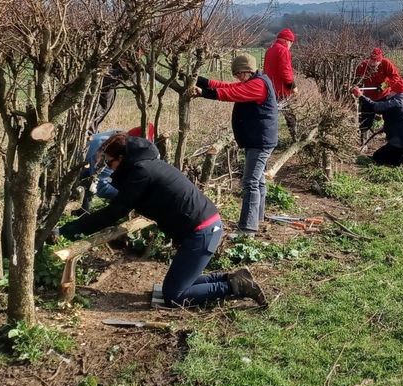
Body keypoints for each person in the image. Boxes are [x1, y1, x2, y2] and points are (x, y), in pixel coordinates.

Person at [58, 132, 266, 308]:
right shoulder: (145, 165)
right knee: (180, 285)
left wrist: (70, 230)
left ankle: (235, 286)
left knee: (174, 296)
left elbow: (114, 212)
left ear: (122, 158)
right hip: (203, 227)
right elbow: (123, 200)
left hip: (201, 231)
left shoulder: (141, 172)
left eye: (110, 162)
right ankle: (231, 278)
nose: (110, 168)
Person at [192, 53, 278, 236]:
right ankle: (258, 218)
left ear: (248, 71)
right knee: (258, 180)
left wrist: (204, 93)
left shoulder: (258, 84)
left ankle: (247, 229)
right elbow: (227, 86)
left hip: (259, 141)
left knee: (250, 182)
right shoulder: (253, 81)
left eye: (239, 73)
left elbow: (231, 93)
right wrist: (200, 81)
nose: (238, 78)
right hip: (257, 139)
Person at [79, 124, 155, 212]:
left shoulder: (120, 138)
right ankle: (81, 211)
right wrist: (130, 196)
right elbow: (101, 188)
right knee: (90, 184)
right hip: (74, 169)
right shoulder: (109, 151)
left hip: (87, 164)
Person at [352, 77, 403, 167]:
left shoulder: (395, 102)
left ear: (394, 91)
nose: (389, 92)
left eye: (391, 90)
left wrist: (360, 96)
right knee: (393, 152)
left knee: (378, 157)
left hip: (402, 142)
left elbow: (374, 106)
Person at [354, 48, 401, 141]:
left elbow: (396, 77)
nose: (372, 64)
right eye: (371, 62)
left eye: (375, 63)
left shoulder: (386, 63)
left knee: (389, 119)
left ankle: (391, 139)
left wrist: (384, 85)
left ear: (380, 61)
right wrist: (357, 88)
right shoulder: (363, 65)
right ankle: (363, 140)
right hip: (368, 96)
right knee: (365, 119)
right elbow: (357, 79)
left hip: (383, 95)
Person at [263, 28, 298, 140]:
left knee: (270, 114)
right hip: (281, 90)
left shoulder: (270, 49)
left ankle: (266, 137)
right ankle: (295, 138)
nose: (291, 45)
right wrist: (293, 87)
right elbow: (286, 72)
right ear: (287, 40)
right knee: (290, 116)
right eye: (291, 42)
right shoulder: (283, 50)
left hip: (269, 88)